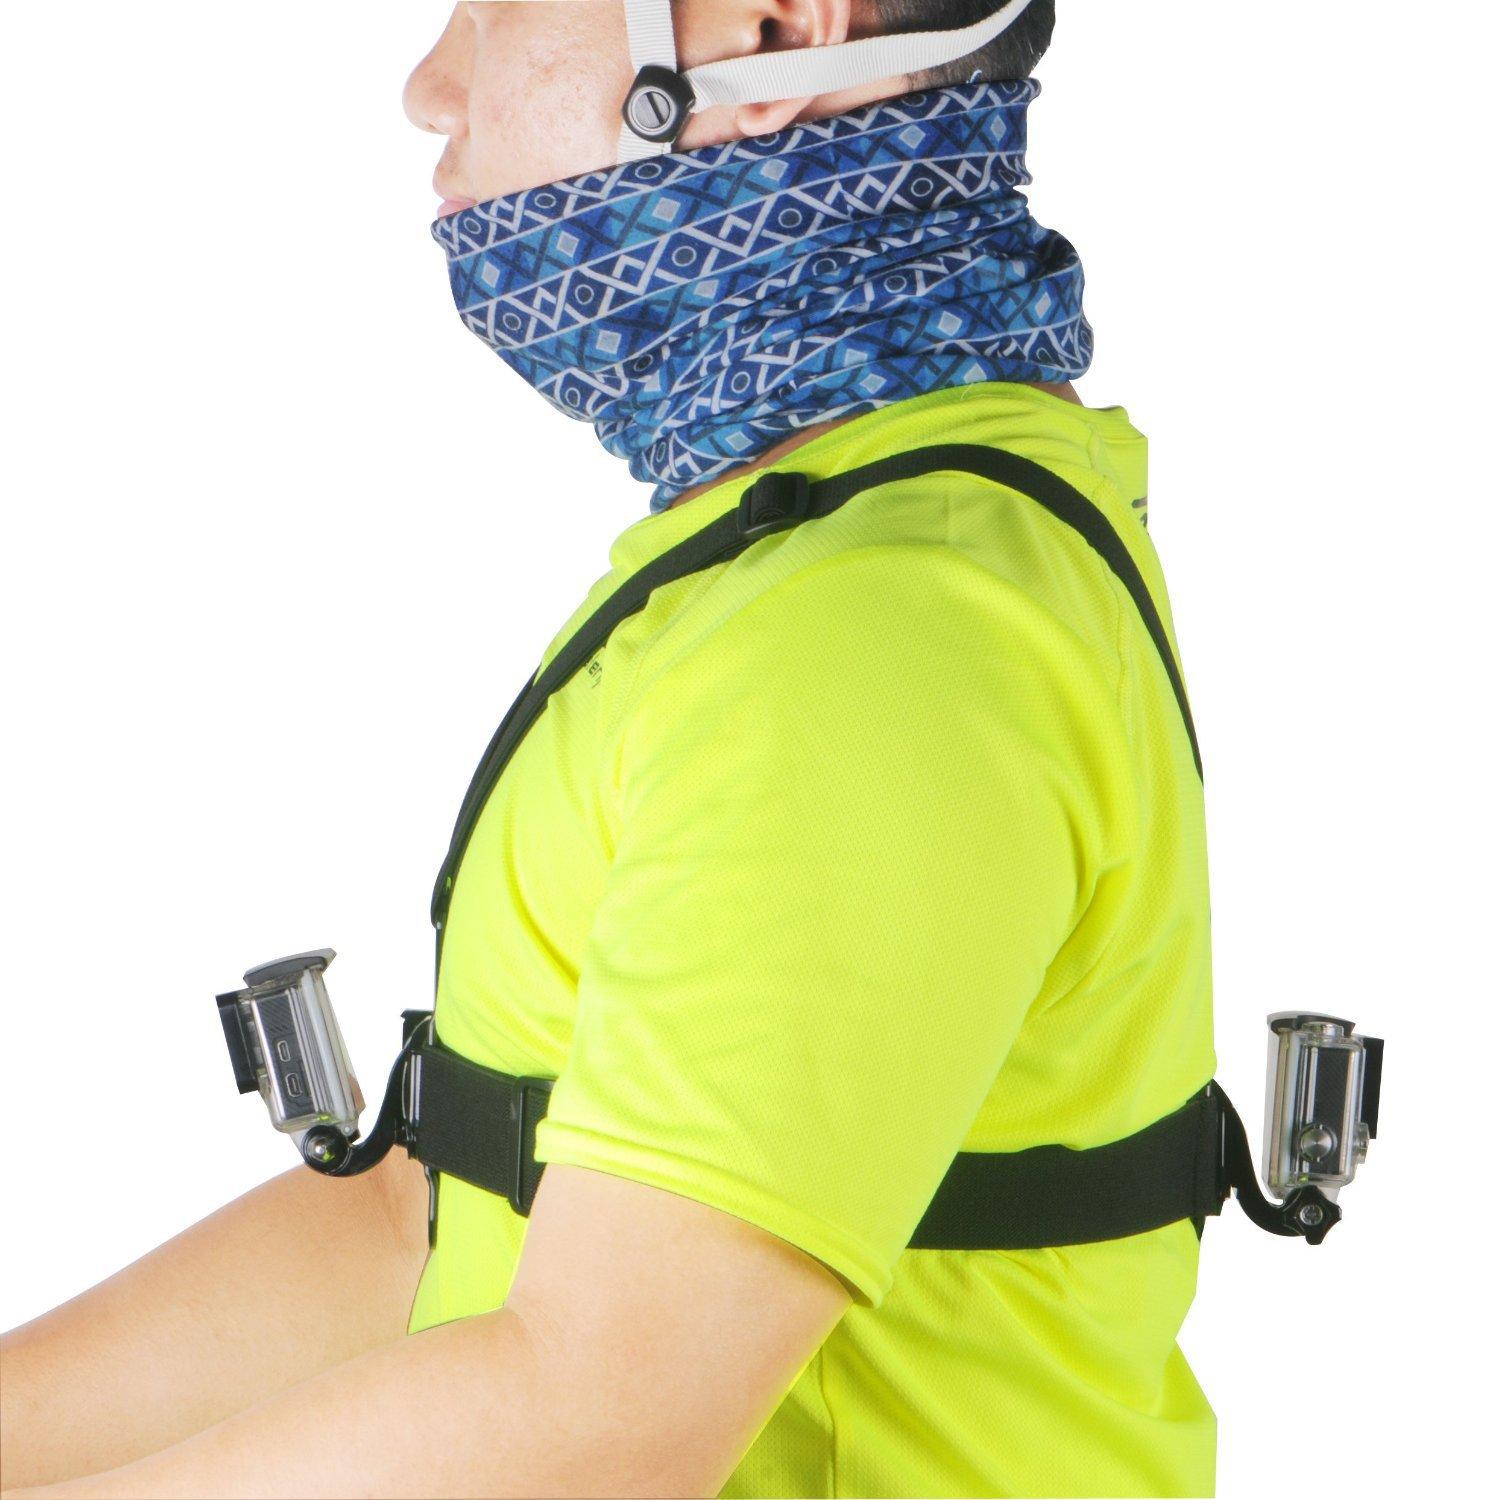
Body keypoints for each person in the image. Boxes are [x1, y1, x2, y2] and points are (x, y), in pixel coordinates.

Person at [0, 2, 1218, 1496]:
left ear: (772, 22)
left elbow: (600, 1426)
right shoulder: (804, 547)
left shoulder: (875, 628)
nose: (430, 84)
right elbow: (436, 1215)